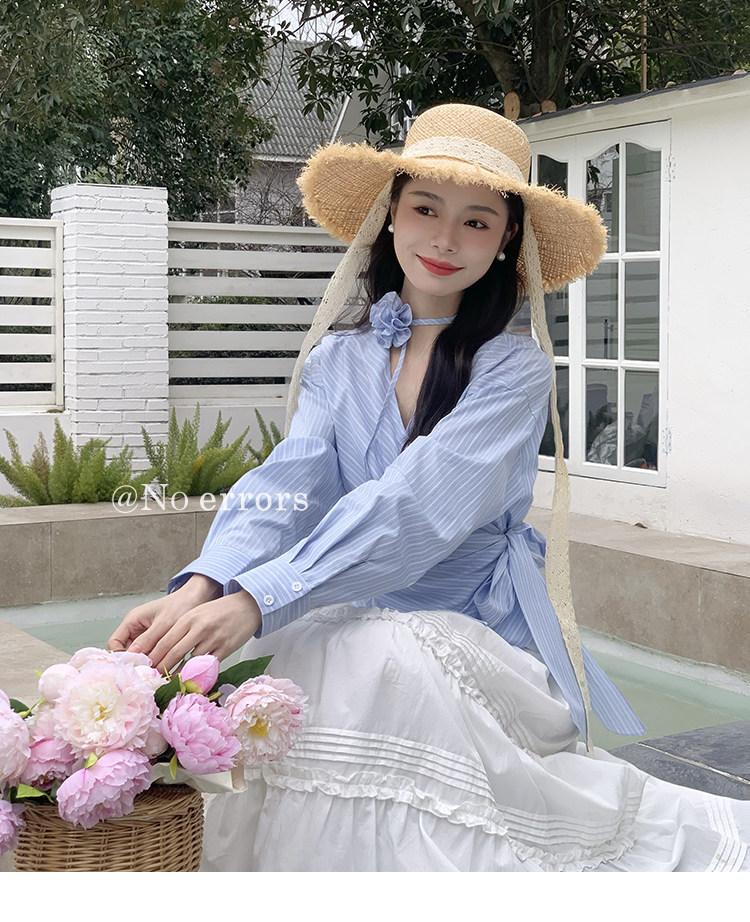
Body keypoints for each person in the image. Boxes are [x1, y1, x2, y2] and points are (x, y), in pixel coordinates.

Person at [110, 104, 750, 871]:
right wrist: (205, 585)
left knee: (374, 659)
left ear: (507, 239)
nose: (445, 240)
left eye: (477, 222)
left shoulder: (514, 371)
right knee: (318, 661)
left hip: (467, 626)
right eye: (425, 209)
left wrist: (259, 599)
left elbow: (416, 506)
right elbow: (291, 479)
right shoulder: (339, 359)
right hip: (346, 607)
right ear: (390, 214)